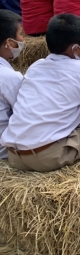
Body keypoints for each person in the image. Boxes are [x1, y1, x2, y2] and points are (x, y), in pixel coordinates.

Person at [0, 14, 80, 172]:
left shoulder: (36, 66)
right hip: (45, 158)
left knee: (78, 106)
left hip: (14, 156)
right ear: (76, 49)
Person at [0, 10, 25, 159]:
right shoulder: (9, 78)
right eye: (20, 34)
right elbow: (26, 114)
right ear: (9, 43)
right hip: (4, 148)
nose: (22, 39)